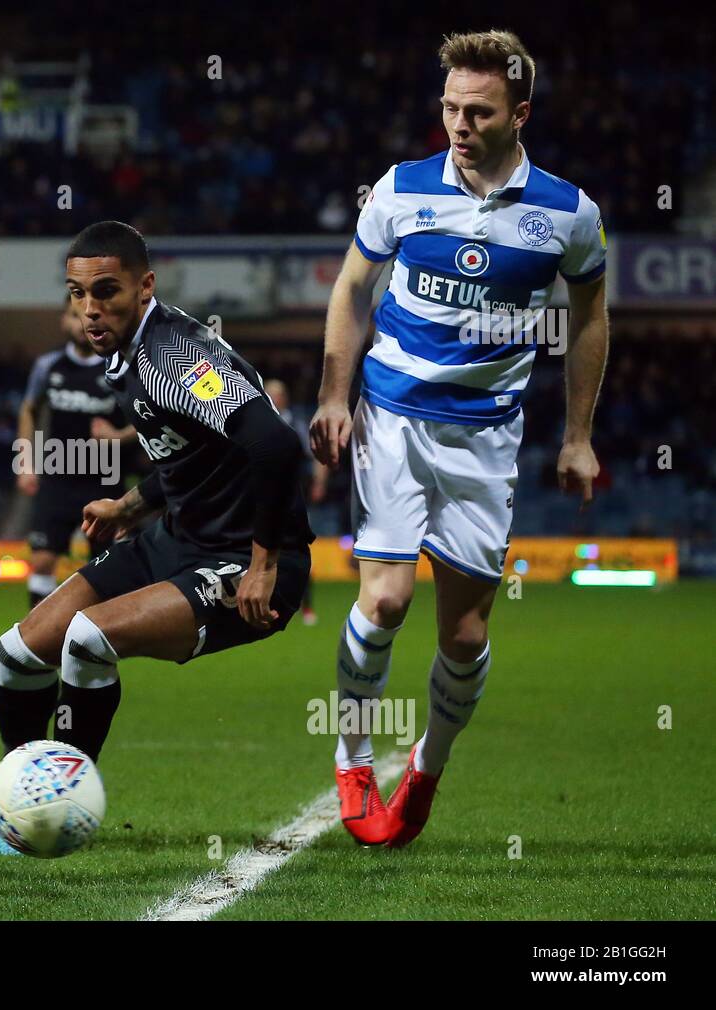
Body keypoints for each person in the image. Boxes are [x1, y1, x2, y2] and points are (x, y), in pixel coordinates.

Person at [0, 221, 314, 853]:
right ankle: (13, 788)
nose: (90, 308)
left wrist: (264, 564)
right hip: (175, 539)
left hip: (244, 561)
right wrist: (131, 503)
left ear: (145, 285)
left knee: (89, 638)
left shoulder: (178, 356)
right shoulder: (128, 354)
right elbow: (197, 455)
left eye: (106, 291)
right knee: (18, 652)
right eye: (78, 294)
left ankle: (43, 816)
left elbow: (275, 446)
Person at [309, 31, 609, 847]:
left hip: (486, 439)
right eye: (449, 108)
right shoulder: (401, 192)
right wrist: (336, 394)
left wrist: (578, 435)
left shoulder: (569, 215)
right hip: (394, 418)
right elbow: (350, 289)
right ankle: (352, 759)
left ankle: (426, 772)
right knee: (384, 599)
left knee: (466, 635)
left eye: (478, 111)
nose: (459, 124)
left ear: (521, 112)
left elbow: (589, 316)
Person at [18, 297, 134, 609]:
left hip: (104, 482)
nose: (82, 323)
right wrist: (25, 463)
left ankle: (95, 641)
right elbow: (28, 409)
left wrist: (118, 436)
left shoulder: (120, 367)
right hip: (57, 480)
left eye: (88, 317)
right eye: (74, 316)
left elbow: (150, 416)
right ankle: (38, 640)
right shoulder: (48, 365)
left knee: (103, 567)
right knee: (41, 561)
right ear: (64, 321)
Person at [264, 378, 329, 625]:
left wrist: (319, 482)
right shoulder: (259, 420)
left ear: (285, 398)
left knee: (298, 551)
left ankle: (307, 607)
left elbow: (316, 454)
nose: (273, 399)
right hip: (263, 496)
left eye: (277, 395)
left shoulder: (298, 424)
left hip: (293, 497)